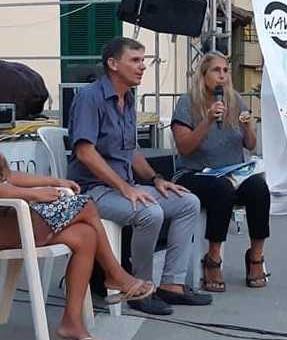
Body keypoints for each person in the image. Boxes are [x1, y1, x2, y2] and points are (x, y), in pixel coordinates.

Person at [0, 70, 154, 340]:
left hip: (10, 219)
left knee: (86, 235)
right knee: (85, 204)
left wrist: (52, 180)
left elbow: (6, 176)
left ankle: (71, 323)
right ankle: (116, 275)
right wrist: (35, 195)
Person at [67, 37, 212, 315]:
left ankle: (172, 285)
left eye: (142, 60)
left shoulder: (128, 98)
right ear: (112, 64)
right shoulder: (90, 98)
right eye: (135, 60)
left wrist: (156, 178)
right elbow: (85, 152)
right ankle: (139, 287)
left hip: (122, 186)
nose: (142, 66)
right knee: (150, 213)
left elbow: (130, 150)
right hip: (92, 192)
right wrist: (125, 187)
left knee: (187, 202)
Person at [171, 51, 270, 292]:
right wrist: (206, 121)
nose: (222, 76)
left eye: (225, 71)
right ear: (203, 74)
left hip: (233, 172)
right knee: (221, 189)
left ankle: (256, 257)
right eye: (216, 70)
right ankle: (213, 258)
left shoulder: (234, 99)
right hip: (195, 174)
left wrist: (248, 126)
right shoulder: (187, 103)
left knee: (259, 188)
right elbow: (184, 148)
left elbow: (250, 145)